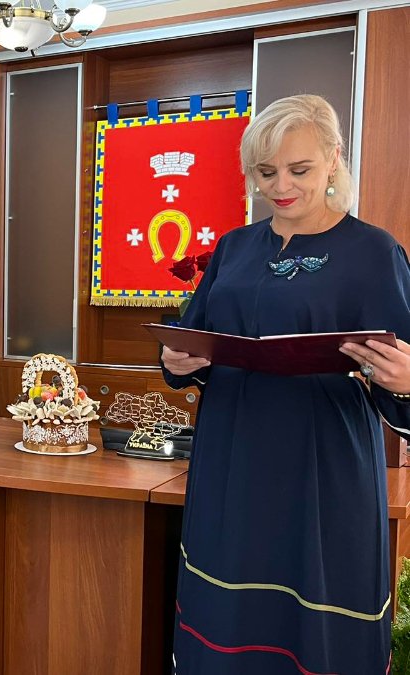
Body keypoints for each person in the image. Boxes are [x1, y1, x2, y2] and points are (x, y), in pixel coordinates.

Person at [161, 94, 410, 674]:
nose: (280, 186)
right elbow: (194, 339)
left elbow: (401, 367)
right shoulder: (234, 247)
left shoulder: (373, 251)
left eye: (298, 169)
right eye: (266, 172)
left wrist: (404, 380)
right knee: (226, 612)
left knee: (315, 611)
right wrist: (177, 361)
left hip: (322, 465)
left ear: (334, 158)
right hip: (231, 455)